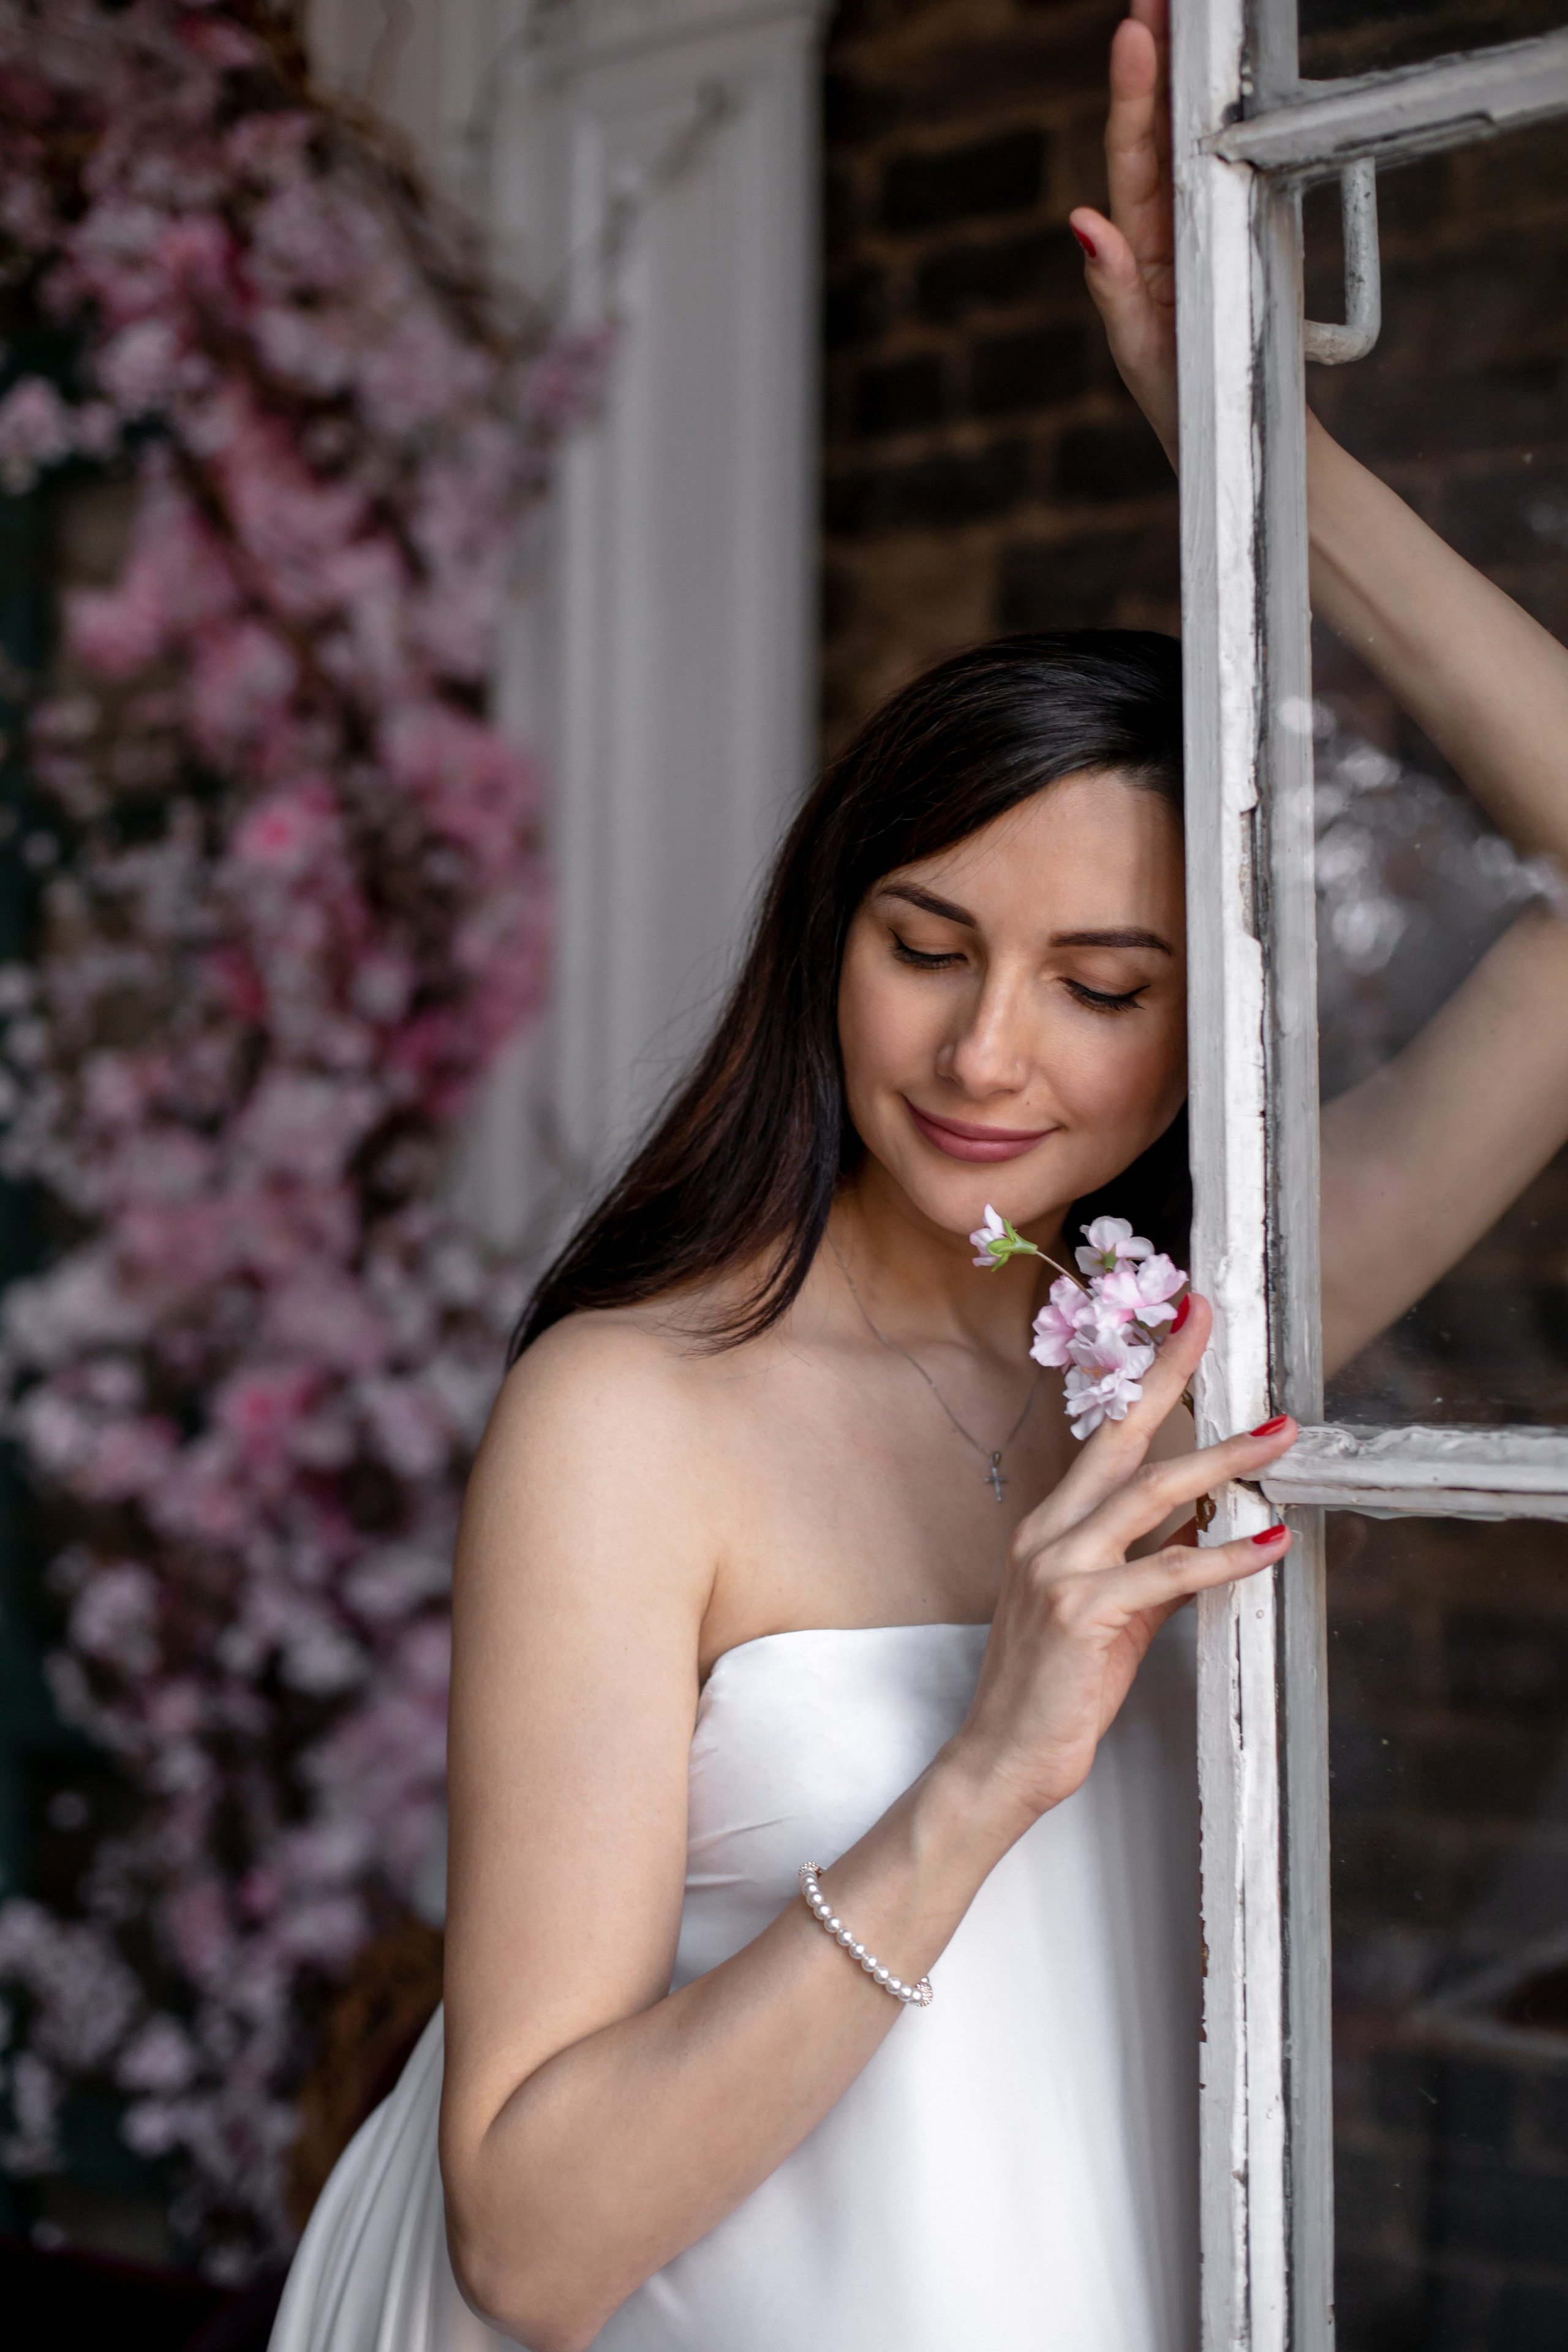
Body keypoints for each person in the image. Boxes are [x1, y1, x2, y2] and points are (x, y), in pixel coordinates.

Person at [268, 3, 1568, 2346]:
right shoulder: (631, 1414)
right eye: (927, 945)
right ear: (824, 936)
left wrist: (1242, 451)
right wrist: (990, 1760)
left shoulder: (1193, 1340)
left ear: (1208, 1024)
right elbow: (529, 2245)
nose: (986, 1051)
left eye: (1103, 982)